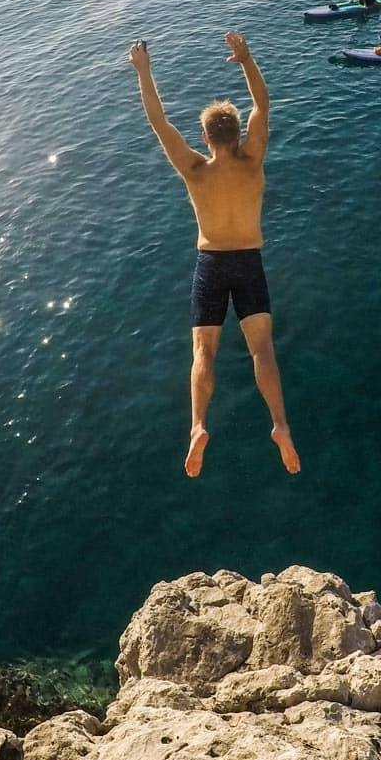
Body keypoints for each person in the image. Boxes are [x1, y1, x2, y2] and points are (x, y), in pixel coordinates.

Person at [129, 35, 300, 478]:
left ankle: (197, 425)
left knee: (203, 351)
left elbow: (157, 120)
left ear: (204, 137)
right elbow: (264, 105)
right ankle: (280, 425)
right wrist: (246, 59)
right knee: (262, 350)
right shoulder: (252, 162)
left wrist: (144, 70)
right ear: (238, 134)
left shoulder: (194, 169)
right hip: (249, 261)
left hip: (211, 264)